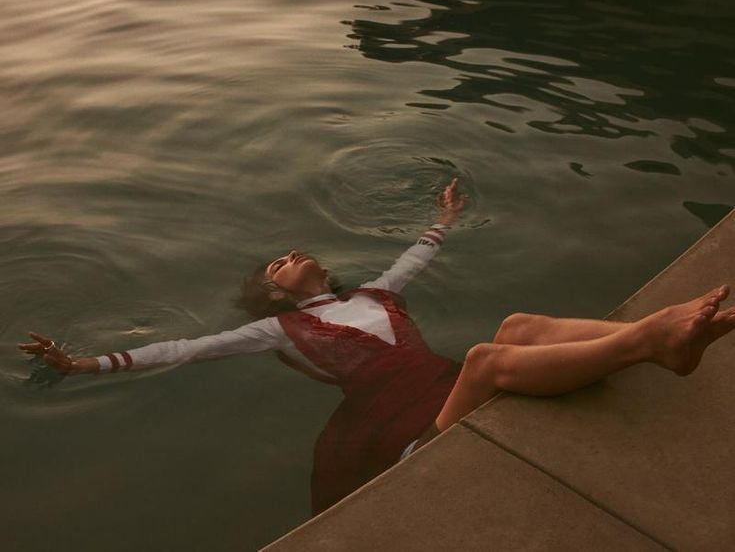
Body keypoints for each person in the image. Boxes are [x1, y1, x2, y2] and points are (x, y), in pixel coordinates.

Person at [18, 178, 735, 515]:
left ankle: (665, 330)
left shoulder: (379, 295)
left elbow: (417, 254)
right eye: (274, 263)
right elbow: (183, 348)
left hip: (442, 393)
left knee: (514, 323)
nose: (288, 253)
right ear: (274, 295)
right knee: (486, 357)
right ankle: (652, 340)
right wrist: (77, 363)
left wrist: (444, 215)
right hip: (412, 433)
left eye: (292, 251)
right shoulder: (276, 329)